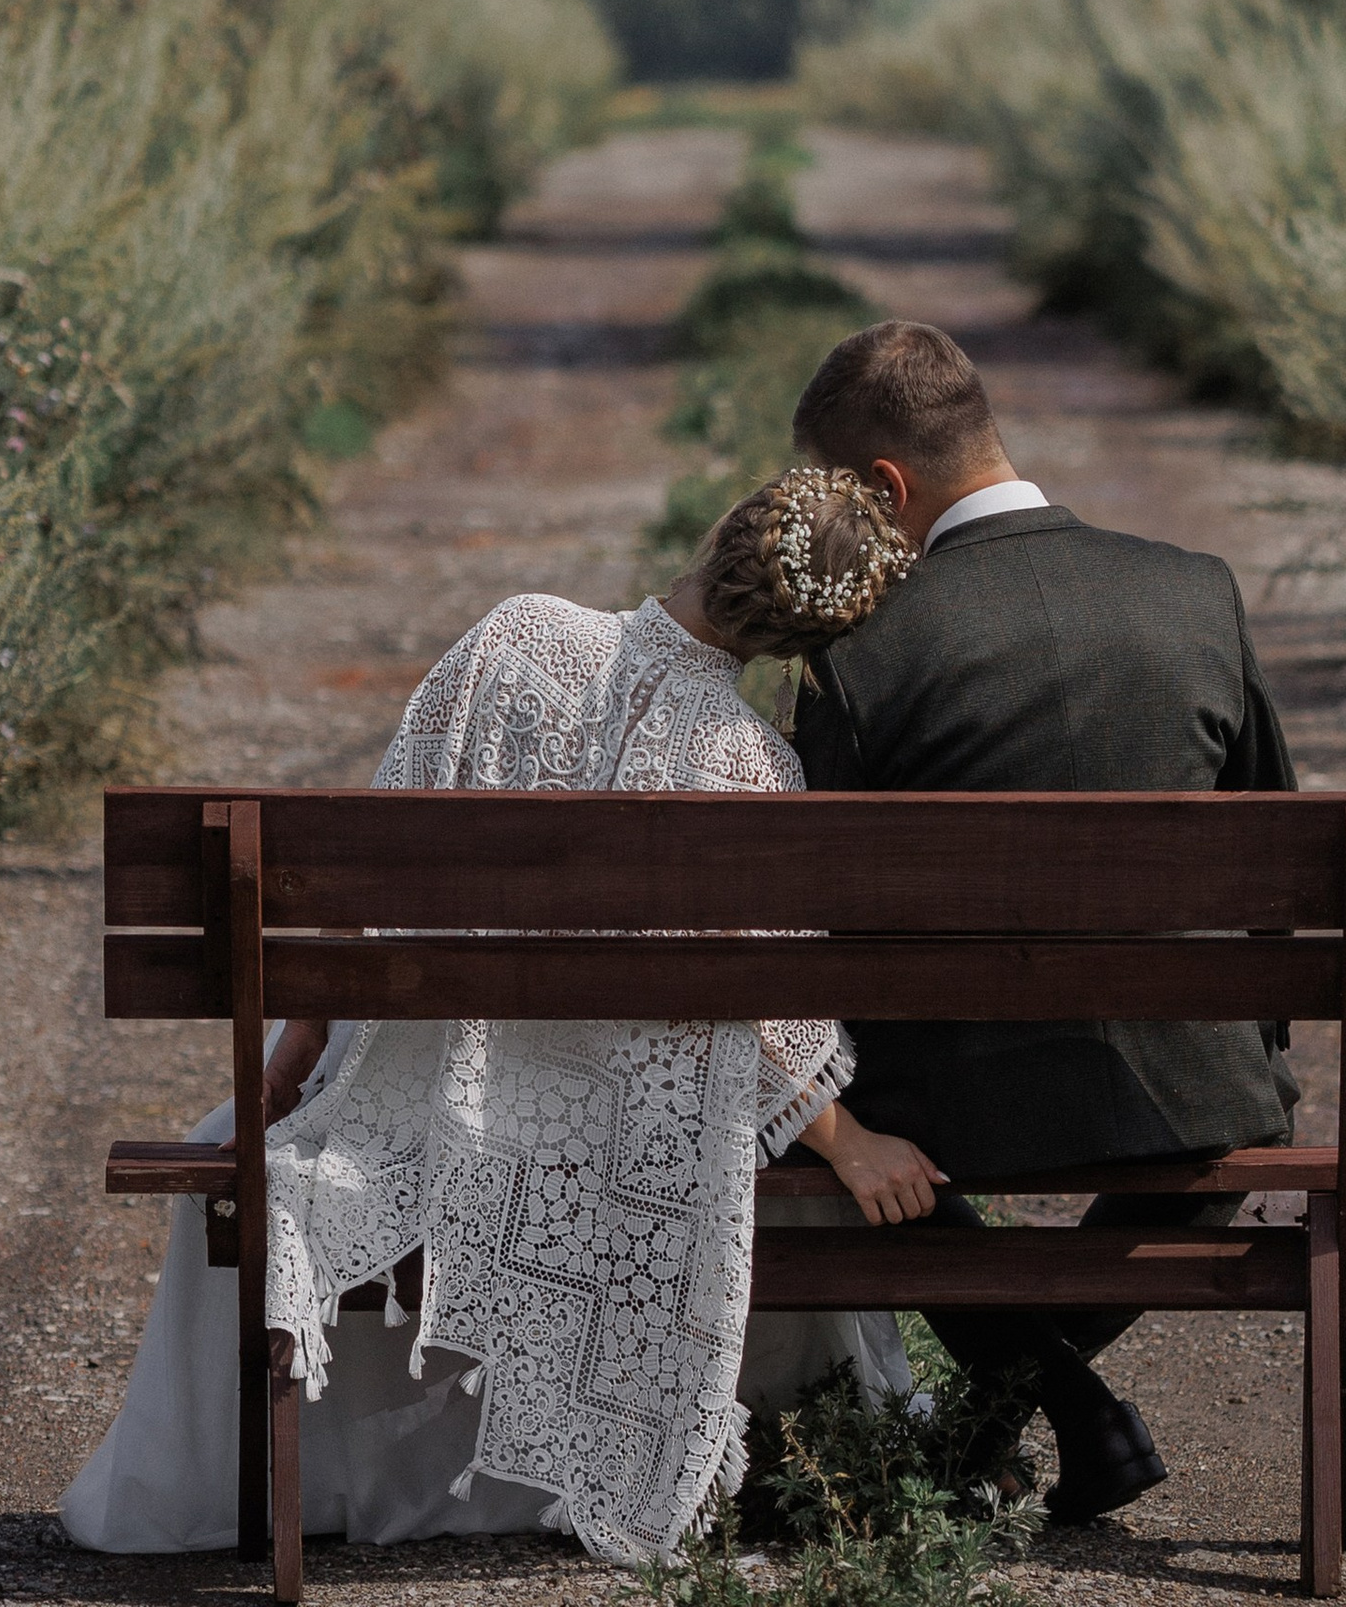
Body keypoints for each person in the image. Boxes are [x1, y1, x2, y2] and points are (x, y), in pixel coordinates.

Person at [59, 468, 937, 1568]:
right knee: (779, 1186)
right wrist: (849, 1143)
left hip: (431, 1119)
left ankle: (294, 1485)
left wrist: (281, 1081)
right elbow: (765, 1018)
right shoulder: (753, 766)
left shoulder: (515, 638)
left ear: (722, 527)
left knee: (226, 1149)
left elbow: (361, 902)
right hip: (610, 1152)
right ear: (806, 641)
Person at [787, 317, 1298, 1529]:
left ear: (883, 487)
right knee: (1220, 1105)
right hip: (1192, 1086)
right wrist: (1253, 1046)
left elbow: (808, 921)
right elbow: (1278, 863)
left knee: (840, 1125)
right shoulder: (1197, 593)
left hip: (948, 1102)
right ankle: (1058, 1402)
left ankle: (1034, 1406)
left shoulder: (860, 652)